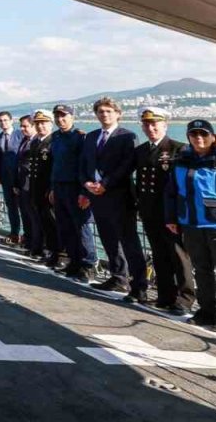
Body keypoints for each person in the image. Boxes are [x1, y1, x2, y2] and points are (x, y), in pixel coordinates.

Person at [166, 119, 216, 334]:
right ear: (189, 138)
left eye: (203, 134)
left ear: (212, 136)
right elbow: (171, 193)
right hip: (191, 225)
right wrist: (171, 218)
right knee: (201, 270)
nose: (199, 138)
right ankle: (206, 311)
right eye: (194, 134)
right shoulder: (181, 162)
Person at [80, 97, 145, 299]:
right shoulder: (91, 137)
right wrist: (86, 184)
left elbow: (127, 166)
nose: (104, 114)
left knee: (128, 241)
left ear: (118, 114)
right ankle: (118, 277)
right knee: (108, 238)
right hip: (97, 197)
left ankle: (139, 285)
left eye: (108, 111)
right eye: (100, 111)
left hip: (119, 196)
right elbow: (83, 164)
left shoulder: (128, 136)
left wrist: (105, 184)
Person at [133, 107, 195, 314]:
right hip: (149, 211)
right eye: (147, 125)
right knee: (159, 254)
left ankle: (185, 299)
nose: (151, 128)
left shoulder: (179, 149)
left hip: (172, 213)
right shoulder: (141, 151)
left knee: (179, 255)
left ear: (164, 125)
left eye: (155, 124)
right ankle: (165, 296)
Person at [50, 104, 93, 283]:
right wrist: (52, 188)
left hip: (75, 188)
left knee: (82, 227)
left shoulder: (80, 137)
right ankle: (74, 262)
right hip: (59, 187)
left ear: (72, 117)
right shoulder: (55, 137)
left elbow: (86, 166)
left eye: (64, 116)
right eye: (58, 116)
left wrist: (85, 192)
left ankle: (88, 266)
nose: (61, 119)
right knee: (65, 227)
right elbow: (55, 164)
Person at [27, 110, 60, 266]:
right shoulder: (35, 142)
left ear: (51, 124)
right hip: (37, 189)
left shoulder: (54, 141)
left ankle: (59, 254)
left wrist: (52, 188)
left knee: (53, 222)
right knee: (44, 222)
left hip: (49, 190)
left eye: (43, 123)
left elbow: (54, 167)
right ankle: (51, 252)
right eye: (37, 123)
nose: (40, 126)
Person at [0, 112, 24, 245]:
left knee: (25, 209)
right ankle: (14, 233)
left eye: (5, 120)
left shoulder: (20, 135)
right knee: (11, 208)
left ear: (12, 121)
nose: (3, 123)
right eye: (0, 121)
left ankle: (29, 236)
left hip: (20, 179)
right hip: (6, 179)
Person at [13, 115, 39, 255]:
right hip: (22, 184)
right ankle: (28, 242)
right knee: (25, 214)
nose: (22, 129)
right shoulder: (24, 140)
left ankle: (37, 246)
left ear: (33, 126)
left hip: (32, 185)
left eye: (25, 126)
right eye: (21, 126)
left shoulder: (37, 141)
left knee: (34, 216)